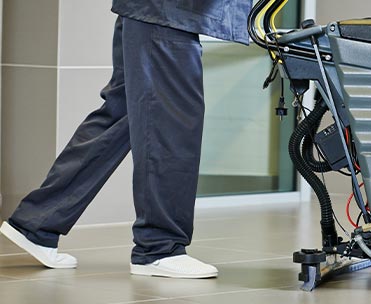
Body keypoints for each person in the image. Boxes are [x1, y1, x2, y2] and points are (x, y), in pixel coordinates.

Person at [0, 0, 253, 279]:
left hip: (151, 12)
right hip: (165, 15)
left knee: (121, 118)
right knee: (172, 125)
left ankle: (36, 223)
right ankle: (159, 247)